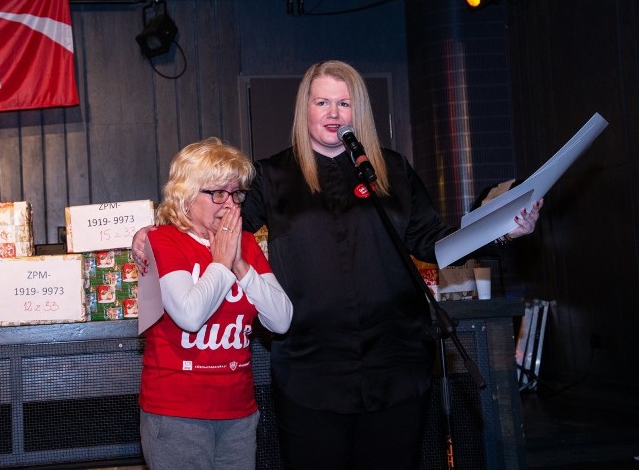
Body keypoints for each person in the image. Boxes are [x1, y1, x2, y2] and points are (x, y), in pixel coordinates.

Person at [135, 60, 542, 470]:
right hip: (311, 369)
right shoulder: (271, 176)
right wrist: (150, 231)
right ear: (305, 109)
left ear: (358, 111)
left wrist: (502, 230)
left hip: (395, 362)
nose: (333, 113)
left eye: (344, 103)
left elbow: (431, 241)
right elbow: (210, 220)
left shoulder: (392, 170)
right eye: (322, 102)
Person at [137, 137, 293, 470]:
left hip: (238, 410)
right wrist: (221, 263)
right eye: (218, 193)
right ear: (186, 194)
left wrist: (240, 266)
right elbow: (189, 316)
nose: (230, 205)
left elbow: (281, 320)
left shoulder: (246, 244)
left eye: (236, 194)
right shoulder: (163, 240)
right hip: (178, 411)